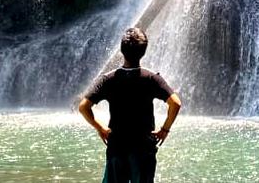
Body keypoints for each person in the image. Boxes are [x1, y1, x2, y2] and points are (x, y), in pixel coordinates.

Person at [78, 27, 183, 183]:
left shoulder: (108, 79)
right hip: (143, 147)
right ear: (144, 51)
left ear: (122, 50)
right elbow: (175, 103)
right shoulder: (151, 79)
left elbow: (83, 106)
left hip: (117, 146)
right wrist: (164, 129)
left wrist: (100, 128)